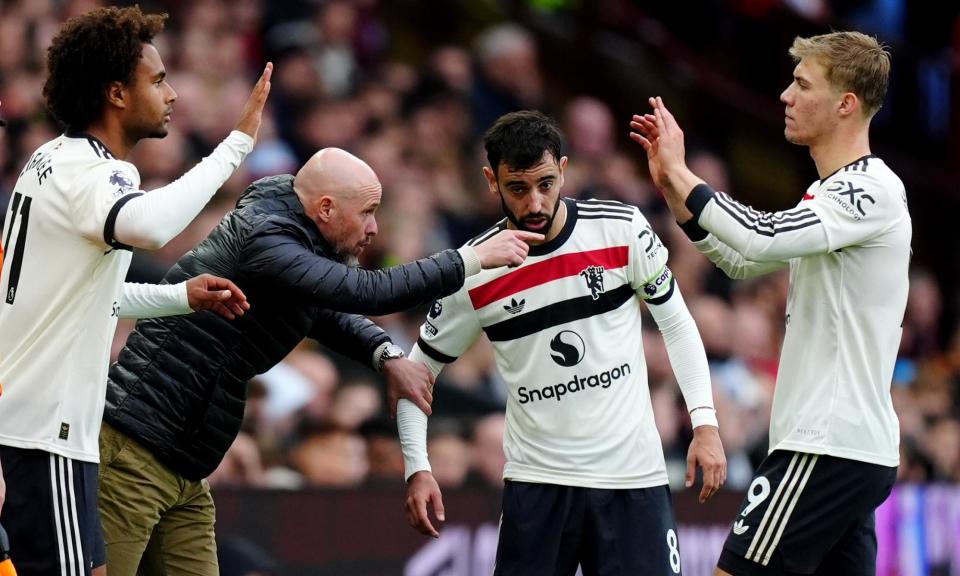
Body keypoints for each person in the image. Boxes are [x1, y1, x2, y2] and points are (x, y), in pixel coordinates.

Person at [98, 147, 540, 575]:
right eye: (367, 212)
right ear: (326, 208)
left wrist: (385, 354)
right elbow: (367, 293)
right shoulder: (266, 236)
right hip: (135, 451)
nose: (374, 229)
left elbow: (325, 310)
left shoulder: (295, 237)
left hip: (184, 466)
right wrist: (469, 258)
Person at [0, 6, 271, 575]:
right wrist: (236, 146)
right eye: (158, 79)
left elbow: (93, 298)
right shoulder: (99, 174)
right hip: (47, 432)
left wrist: (181, 297)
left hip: (31, 425)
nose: (171, 93)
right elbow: (150, 226)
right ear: (117, 94)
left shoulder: (49, 160)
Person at [398, 110, 727, 575]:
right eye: (518, 188)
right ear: (492, 181)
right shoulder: (474, 271)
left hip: (633, 479)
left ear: (564, 170)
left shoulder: (621, 229)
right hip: (539, 486)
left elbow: (676, 323)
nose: (535, 202)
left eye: (546, 184)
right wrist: (417, 464)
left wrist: (705, 423)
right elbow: (414, 374)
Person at [630, 31, 908, 576]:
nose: (785, 95)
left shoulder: (869, 189)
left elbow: (759, 237)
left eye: (802, 84)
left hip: (823, 446)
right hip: (849, 449)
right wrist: (671, 191)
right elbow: (743, 263)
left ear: (845, 104)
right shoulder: (831, 193)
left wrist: (684, 174)